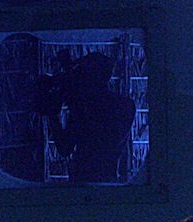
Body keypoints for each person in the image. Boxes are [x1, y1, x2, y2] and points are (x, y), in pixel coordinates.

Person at [35, 52, 137, 183]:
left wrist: (53, 115)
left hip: (82, 179)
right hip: (109, 178)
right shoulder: (126, 105)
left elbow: (65, 148)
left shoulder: (84, 107)